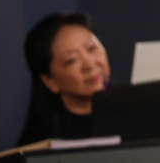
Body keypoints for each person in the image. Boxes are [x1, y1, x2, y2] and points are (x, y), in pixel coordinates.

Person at [17, 12, 111, 146]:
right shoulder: (40, 146)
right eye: (72, 60)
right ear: (50, 81)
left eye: (92, 48)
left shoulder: (136, 110)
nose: (89, 64)